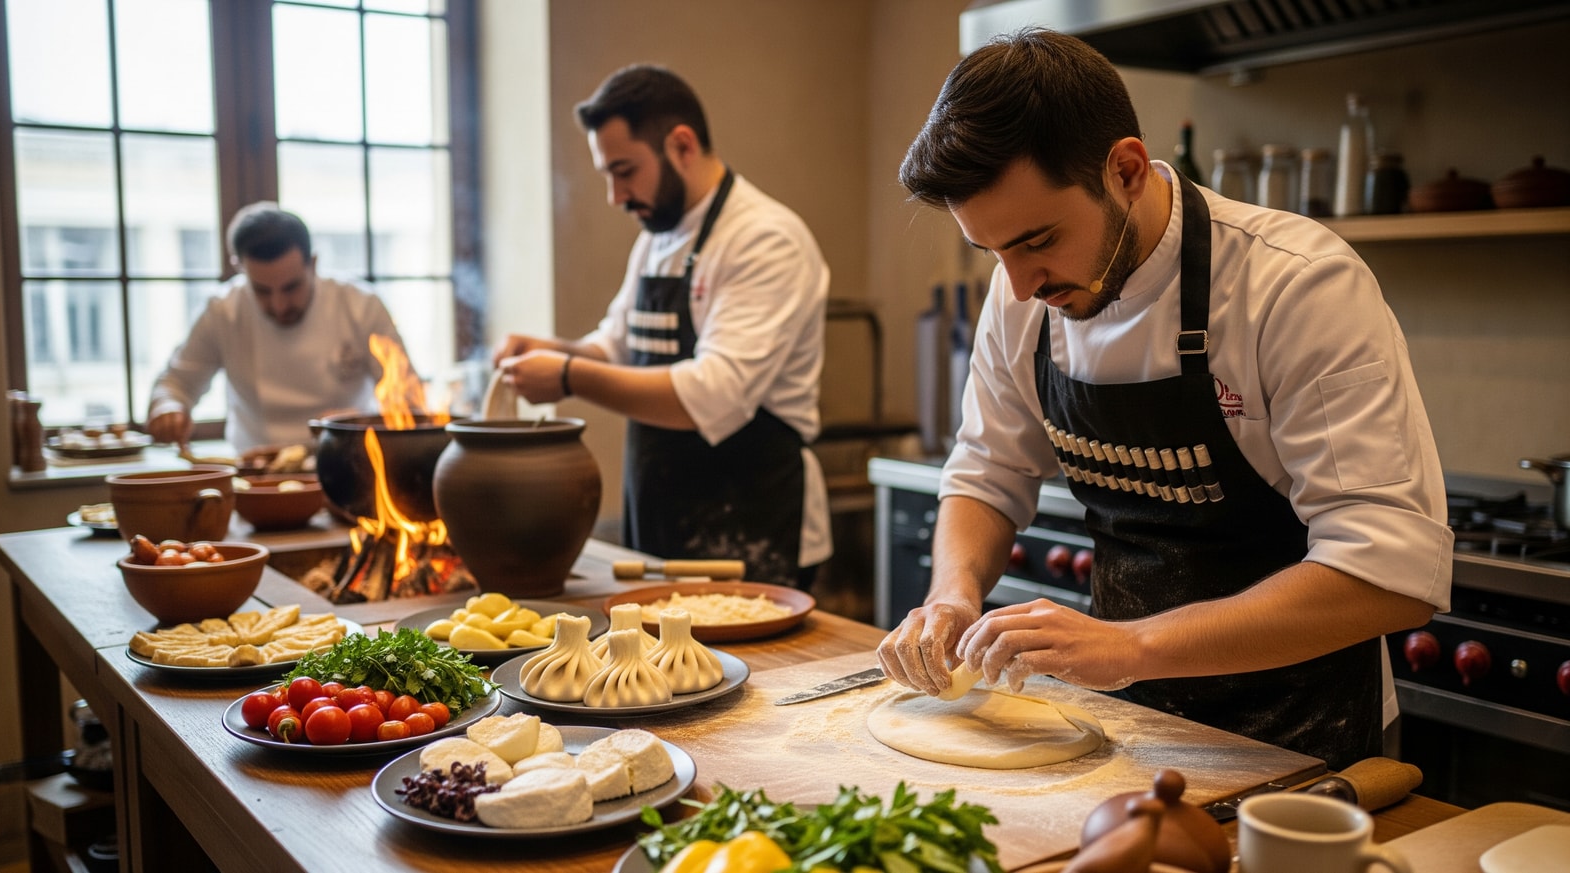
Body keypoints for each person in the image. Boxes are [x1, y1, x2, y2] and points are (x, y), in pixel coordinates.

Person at [876, 29, 1452, 770]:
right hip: (1119, 731)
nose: (1019, 286)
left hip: (1296, 742)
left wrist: (1132, 646)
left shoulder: (1295, 286)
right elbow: (988, 470)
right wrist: (953, 593)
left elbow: (1391, 576)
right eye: (994, 254)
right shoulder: (1023, 291)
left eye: (1038, 240)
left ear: (1124, 170)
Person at [492, 64, 831, 589]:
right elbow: (618, 346)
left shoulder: (765, 239)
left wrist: (567, 377)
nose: (616, 196)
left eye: (624, 170)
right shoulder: (659, 236)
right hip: (663, 515)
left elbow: (713, 394)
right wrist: (555, 351)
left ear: (681, 144)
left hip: (751, 521)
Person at [146, 202, 407, 453]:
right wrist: (168, 408)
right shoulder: (222, 311)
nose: (279, 305)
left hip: (349, 463)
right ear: (239, 269)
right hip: (256, 471)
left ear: (313, 264)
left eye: (291, 287)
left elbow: (408, 400)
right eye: (261, 290)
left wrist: (357, 420)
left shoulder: (360, 305)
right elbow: (175, 383)